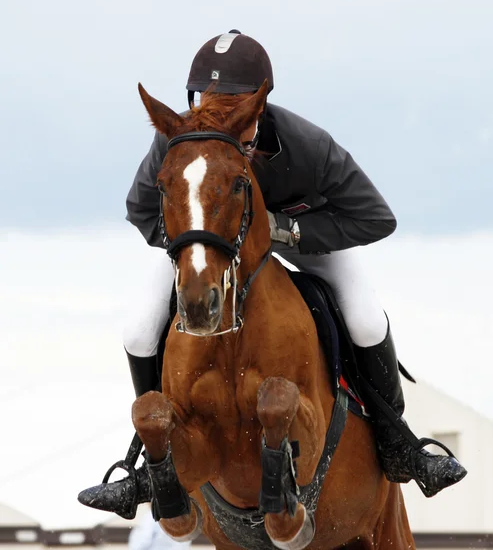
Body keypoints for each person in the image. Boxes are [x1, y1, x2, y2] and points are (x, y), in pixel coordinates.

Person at [78, 30, 466, 518]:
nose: (217, 114)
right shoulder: (180, 141)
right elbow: (141, 212)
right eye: (207, 100)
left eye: (233, 105)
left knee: (366, 319)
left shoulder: (307, 144)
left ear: (258, 106)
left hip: (304, 242)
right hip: (215, 250)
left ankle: (399, 442)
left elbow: (375, 218)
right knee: (138, 330)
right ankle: (151, 470)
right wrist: (197, 242)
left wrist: (281, 231)